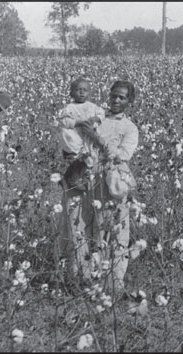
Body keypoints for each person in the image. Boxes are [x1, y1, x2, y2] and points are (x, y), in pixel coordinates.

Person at [58, 80, 138, 293]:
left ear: (130, 101)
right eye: (114, 95)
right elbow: (71, 138)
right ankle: (79, 280)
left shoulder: (129, 127)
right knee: (78, 227)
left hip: (110, 182)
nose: (116, 100)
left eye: (122, 97)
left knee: (111, 231)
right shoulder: (94, 115)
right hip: (83, 177)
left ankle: (112, 284)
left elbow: (123, 155)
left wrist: (99, 142)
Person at [56, 78, 105, 190]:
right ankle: (72, 179)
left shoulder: (92, 106)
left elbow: (102, 114)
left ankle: (76, 179)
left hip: (88, 137)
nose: (82, 92)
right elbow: (64, 121)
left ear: (89, 92)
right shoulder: (69, 107)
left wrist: (95, 118)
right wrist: (78, 123)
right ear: (71, 93)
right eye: (78, 90)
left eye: (85, 90)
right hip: (76, 137)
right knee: (79, 158)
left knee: (89, 160)